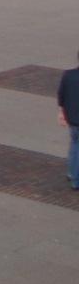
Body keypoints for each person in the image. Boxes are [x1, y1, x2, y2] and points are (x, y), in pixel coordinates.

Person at [58, 51, 79, 191]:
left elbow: (61, 95)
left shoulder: (68, 75)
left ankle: (72, 172)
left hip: (72, 118)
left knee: (74, 145)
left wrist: (61, 113)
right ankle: (76, 180)